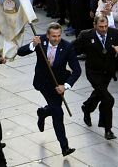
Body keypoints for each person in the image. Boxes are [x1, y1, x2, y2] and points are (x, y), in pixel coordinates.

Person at [17, 22, 82, 157]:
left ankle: (43, 112)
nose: (57, 39)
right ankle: (64, 146)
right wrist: (33, 45)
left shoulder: (67, 47)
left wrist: (66, 86)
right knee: (58, 113)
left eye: (59, 36)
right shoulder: (40, 41)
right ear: (48, 35)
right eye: (53, 36)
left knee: (54, 109)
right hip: (43, 83)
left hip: (59, 83)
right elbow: (20, 52)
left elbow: (77, 70)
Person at [73, 15, 118, 140]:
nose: (104, 29)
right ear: (94, 25)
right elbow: (73, 49)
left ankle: (86, 107)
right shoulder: (86, 35)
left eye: (106, 26)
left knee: (99, 94)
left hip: (108, 72)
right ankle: (108, 130)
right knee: (108, 99)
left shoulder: (115, 33)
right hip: (93, 72)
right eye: (101, 27)